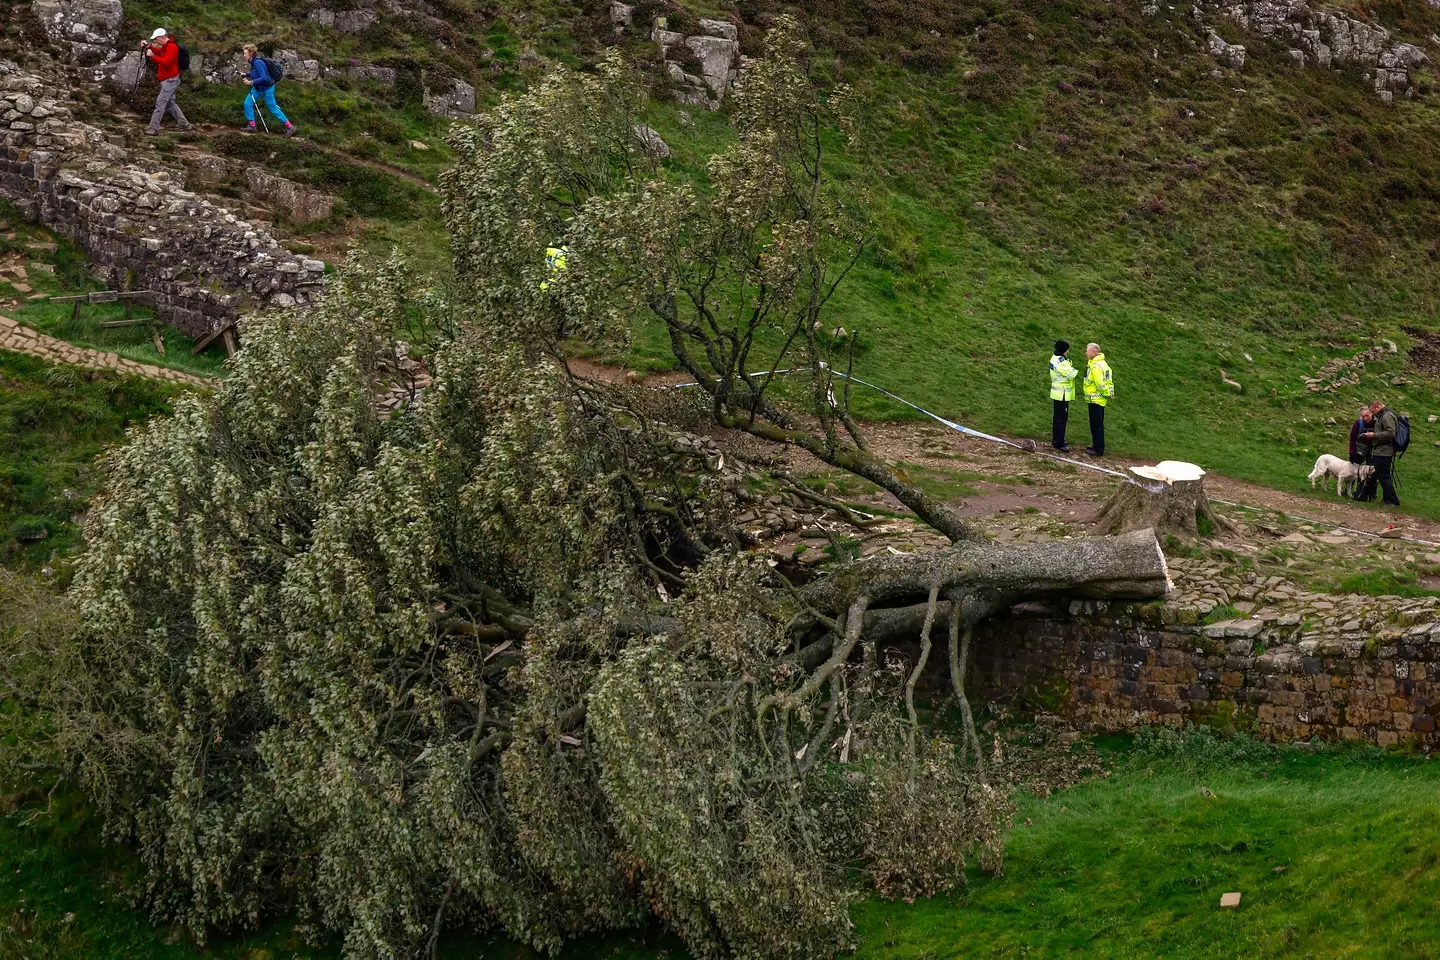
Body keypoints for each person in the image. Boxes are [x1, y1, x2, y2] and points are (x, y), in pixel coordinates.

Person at [143, 28, 192, 136]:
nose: (156, 41)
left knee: (160, 104)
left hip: (170, 80)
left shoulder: (172, 47)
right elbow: (160, 52)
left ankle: (153, 129)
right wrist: (149, 47)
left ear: (161, 37)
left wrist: (152, 56)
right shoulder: (167, 46)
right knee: (170, 104)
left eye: (156, 39)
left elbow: (167, 62)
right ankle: (184, 125)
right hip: (168, 79)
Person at [242, 44, 295, 137]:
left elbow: (265, 78)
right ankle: (252, 126)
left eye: (245, 53)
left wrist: (251, 82)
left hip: (267, 89)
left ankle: (290, 127)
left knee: (273, 109)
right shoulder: (254, 62)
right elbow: (256, 73)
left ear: (251, 53)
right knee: (247, 103)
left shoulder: (257, 62)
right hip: (258, 88)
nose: (244, 55)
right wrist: (246, 74)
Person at [1359, 399, 1400, 507]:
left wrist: (1375, 435)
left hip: (1384, 452)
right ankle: (1386, 499)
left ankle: (1392, 501)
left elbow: (1391, 433)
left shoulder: (1387, 416)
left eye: (1372, 411)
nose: (1373, 414)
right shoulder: (1383, 415)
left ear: (1378, 406)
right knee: (1382, 476)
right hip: (1380, 450)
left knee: (1384, 476)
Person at [1082, 342, 1113, 456]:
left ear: (1094, 352)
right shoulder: (1103, 364)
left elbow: (1100, 384)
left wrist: (1106, 393)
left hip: (1095, 399)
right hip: (1100, 399)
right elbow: (1109, 381)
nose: (1086, 353)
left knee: (1096, 425)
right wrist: (1110, 393)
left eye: (1087, 351)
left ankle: (1098, 449)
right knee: (1098, 424)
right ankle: (1096, 445)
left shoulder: (1095, 367)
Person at [1048, 340, 1078, 452]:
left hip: (1057, 393)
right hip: (1062, 393)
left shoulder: (1055, 358)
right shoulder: (1062, 362)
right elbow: (1072, 374)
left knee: (1057, 418)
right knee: (1061, 418)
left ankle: (1057, 439)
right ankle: (1059, 443)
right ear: (1064, 350)